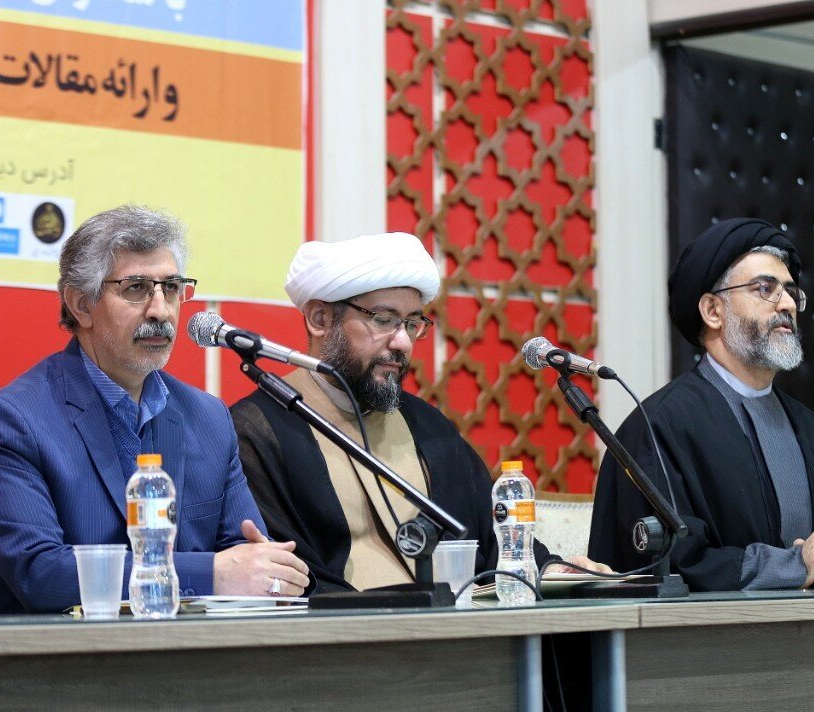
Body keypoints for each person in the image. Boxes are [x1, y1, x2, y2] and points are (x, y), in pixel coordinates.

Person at [0, 205, 310, 614]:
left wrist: (270, 572)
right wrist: (211, 572)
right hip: (41, 651)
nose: (160, 310)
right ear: (81, 304)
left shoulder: (208, 419)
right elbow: (42, 575)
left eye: (171, 287)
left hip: (185, 649)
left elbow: (243, 553)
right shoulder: (11, 421)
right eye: (137, 288)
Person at [232, 232, 602, 593]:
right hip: (344, 633)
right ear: (320, 319)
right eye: (383, 319)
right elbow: (288, 578)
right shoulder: (257, 433)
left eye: (412, 324)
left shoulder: (429, 427)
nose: (403, 342)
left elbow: (495, 540)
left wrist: (552, 569)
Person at [589, 218, 814, 591]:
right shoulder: (657, 427)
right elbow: (670, 567)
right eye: (765, 288)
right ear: (713, 311)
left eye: (790, 291)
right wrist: (796, 564)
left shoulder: (810, 430)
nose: (787, 304)